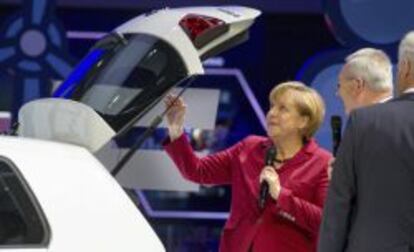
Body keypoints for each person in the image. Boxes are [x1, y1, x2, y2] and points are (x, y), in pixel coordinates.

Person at [163, 81, 332, 252]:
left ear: (303, 121)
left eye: (283, 109)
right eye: (272, 106)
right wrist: (176, 129)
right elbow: (198, 171)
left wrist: (281, 196)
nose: (272, 113)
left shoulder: (322, 163)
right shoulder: (249, 148)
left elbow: (325, 221)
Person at [318, 32, 414, 252]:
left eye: (339, 86)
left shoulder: (364, 122)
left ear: (406, 67)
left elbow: (339, 206)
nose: (338, 93)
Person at [337, 48, 393, 115]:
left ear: (358, 85)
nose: (337, 93)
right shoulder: (405, 114)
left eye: (339, 85)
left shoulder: (366, 122)